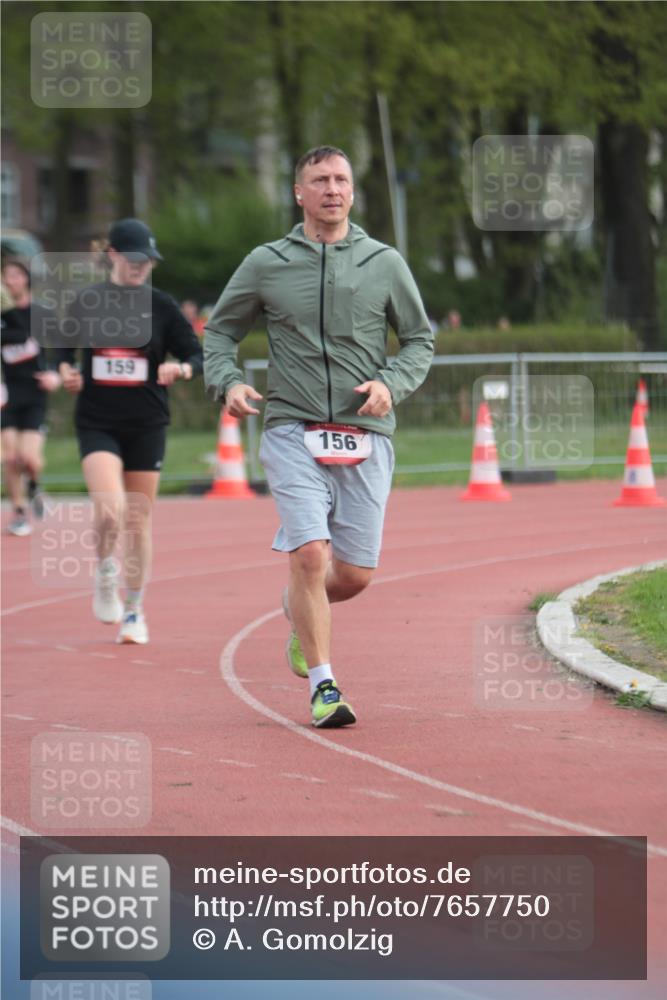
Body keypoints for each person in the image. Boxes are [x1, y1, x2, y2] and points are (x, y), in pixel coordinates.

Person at [204, 145, 433, 728]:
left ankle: (296, 613)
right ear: (298, 193)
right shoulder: (266, 262)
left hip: (365, 433)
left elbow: (419, 341)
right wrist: (228, 382)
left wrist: (390, 383)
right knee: (309, 553)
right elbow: (220, 332)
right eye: (319, 180)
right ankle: (324, 686)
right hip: (292, 428)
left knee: (352, 576)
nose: (332, 189)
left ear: (352, 192)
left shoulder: (383, 261)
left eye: (341, 179)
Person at [58, 219, 203, 644]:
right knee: (110, 509)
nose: (142, 266)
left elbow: (196, 352)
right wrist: (67, 370)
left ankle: (135, 610)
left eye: (149, 260)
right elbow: (64, 349)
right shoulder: (87, 301)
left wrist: (183, 367)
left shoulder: (161, 306)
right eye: (135, 259)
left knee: (138, 520)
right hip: (98, 421)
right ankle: (106, 572)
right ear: (113, 257)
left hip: (147, 422)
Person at [1, 259, 61, 536]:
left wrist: (55, 376)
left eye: (15, 275)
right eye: (5, 276)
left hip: (35, 393)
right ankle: (20, 513)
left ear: (25, 279)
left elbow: (61, 351)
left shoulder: (42, 313)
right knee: (10, 458)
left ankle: (36, 487)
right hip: (7, 395)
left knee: (31, 459)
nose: (10, 280)